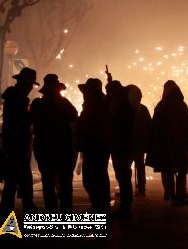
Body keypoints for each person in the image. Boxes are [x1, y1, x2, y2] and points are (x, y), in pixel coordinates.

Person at [30, 74, 78, 213]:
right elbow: (74, 117)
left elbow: (31, 121)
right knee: (65, 182)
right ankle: (66, 210)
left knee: (48, 182)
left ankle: (51, 211)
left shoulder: (37, 104)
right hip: (63, 148)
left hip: (44, 149)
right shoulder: (64, 103)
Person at [0, 67, 40, 220]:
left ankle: (8, 210)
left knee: (16, 179)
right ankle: (23, 209)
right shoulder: (18, 99)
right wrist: (33, 113)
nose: (30, 88)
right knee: (19, 179)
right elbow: (21, 121)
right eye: (29, 84)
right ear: (23, 83)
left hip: (14, 143)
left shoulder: (14, 97)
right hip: (17, 144)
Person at [146, 85, 188, 206]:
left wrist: (187, 136)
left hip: (176, 145)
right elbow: (155, 127)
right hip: (169, 146)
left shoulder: (173, 107)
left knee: (180, 171)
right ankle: (175, 197)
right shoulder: (163, 108)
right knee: (171, 171)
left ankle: (177, 196)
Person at [76, 78, 111, 214]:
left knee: (94, 177)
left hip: (96, 145)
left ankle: (100, 205)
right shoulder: (95, 104)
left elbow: (91, 125)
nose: (84, 94)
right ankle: (99, 205)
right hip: (94, 145)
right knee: (95, 177)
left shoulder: (98, 105)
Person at [105, 79, 135, 218]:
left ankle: (126, 208)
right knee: (123, 177)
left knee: (123, 176)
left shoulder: (124, 108)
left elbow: (121, 127)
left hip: (122, 146)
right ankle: (125, 207)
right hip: (120, 146)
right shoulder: (122, 106)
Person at [127, 84, 151, 197]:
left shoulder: (125, 108)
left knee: (130, 166)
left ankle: (131, 187)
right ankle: (141, 187)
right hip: (137, 143)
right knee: (139, 165)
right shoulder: (143, 109)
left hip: (130, 143)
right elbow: (149, 126)